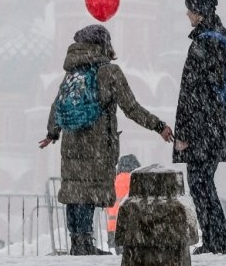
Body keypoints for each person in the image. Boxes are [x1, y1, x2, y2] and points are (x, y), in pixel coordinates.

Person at [39, 24, 173, 256]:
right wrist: (158, 126)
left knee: (75, 191)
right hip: (97, 143)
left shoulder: (72, 73)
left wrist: (52, 133)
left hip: (72, 143)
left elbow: (57, 106)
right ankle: (85, 244)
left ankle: (77, 241)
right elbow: (131, 108)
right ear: (104, 44)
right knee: (88, 192)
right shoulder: (109, 72)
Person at [172, 0, 226, 255]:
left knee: (200, 183)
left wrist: (183, 134)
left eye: (190, 9)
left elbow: (190, 92)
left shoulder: (203, 43)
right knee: (204, 181)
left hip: (201, 126)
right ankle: (217, 239)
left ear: (199, 11)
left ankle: (216, 240)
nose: (187, 14)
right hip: (221, 124)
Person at [106, 154, 141, 250]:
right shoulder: (136, 181)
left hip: (113, 227)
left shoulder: (113, 181)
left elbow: (108, 207)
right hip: (131, 227)